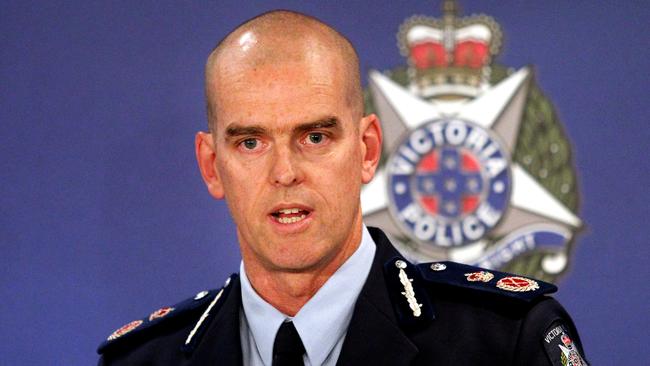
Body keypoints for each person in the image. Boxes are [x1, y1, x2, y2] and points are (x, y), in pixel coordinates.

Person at [97, 10, 588, 366]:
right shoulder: (142, 361)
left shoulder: (505, 343)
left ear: (368, 149)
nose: (284, 172)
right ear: (211, 165)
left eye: (314, 137)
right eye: (250, 142)